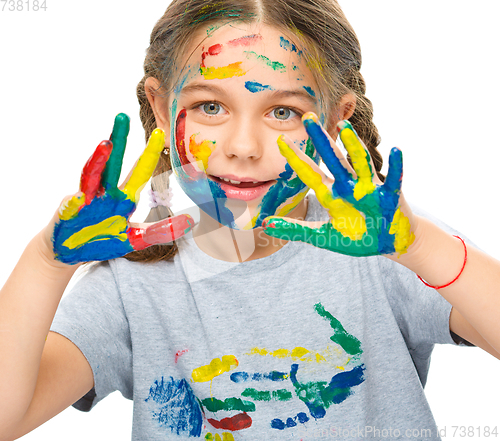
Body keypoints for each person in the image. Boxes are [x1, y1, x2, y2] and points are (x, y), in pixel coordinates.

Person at [1, 1, 500, 440]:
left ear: (333, 120)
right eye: (210, 106)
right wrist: (46, 263)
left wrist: (420, 250)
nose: (243, 147)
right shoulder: (133, 285)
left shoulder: (385, 252)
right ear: (158, 105)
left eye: (282, 112)